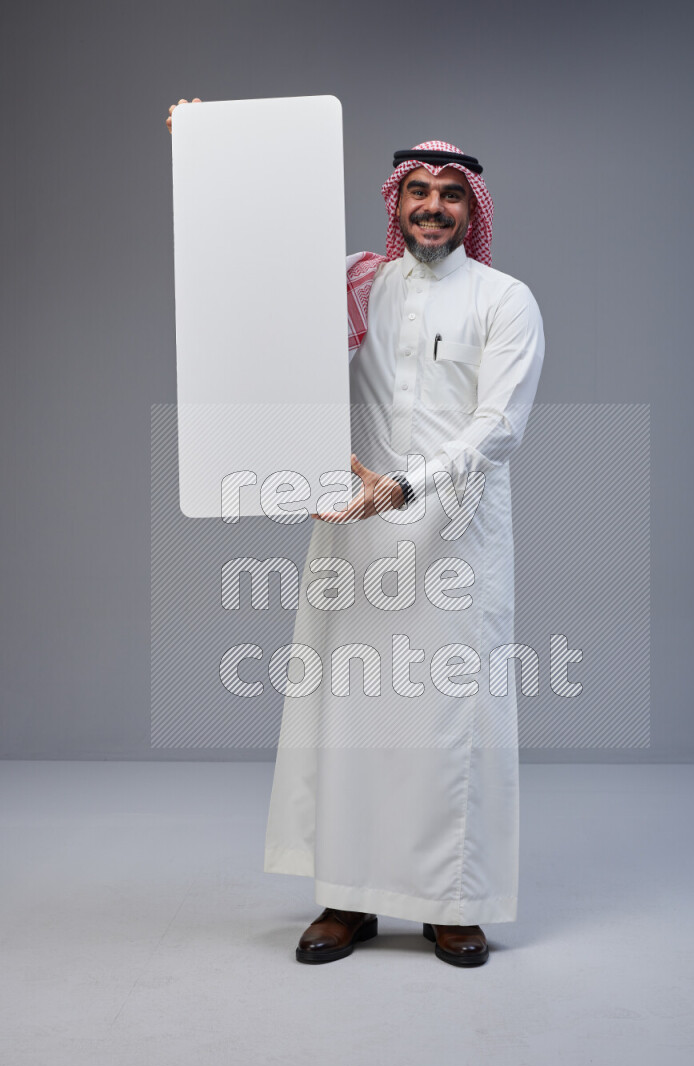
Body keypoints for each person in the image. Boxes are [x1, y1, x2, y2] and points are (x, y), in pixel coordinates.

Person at [167, 100, 545, 967]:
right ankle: (346, 898)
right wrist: (205, 155)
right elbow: (247, 295)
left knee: (451, 716)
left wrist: (405, 487)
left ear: (471, 209)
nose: (434, 207)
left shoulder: (504, 300)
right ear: (396, 199)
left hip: (455, 535)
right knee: (349, 715)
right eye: (418, 190)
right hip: (355, 530)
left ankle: (452, 903)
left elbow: (500, 426)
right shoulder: (358, 282)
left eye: (451, 194)